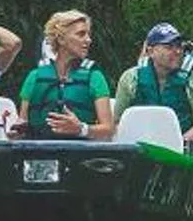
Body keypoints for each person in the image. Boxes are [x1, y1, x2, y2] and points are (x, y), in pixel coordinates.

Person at [12, 9, 116, 138]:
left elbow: (108, 129)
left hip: (79, 149)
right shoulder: (34, 77)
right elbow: (23, 121)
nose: (88, 40)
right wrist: (16, 132)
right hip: (39, 148)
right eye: (81, 34)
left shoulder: (95, 77)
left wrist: (81, 129)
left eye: (88, 35)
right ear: (61, 39)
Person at [112, 22, 193, 144]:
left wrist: (177, 143)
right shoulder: (131, 78)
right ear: (151, 52)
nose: (177, 51)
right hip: (140, 147)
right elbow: (116, 122)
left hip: (182, 148)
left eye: (179, 46)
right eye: (169, 47)